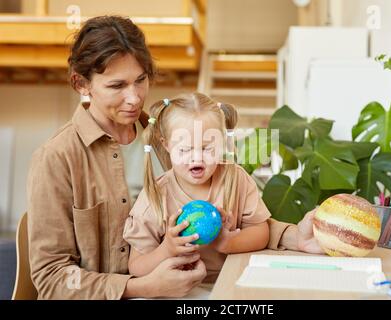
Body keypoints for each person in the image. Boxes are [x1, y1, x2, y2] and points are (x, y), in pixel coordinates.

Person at [26, 15, 322, 300]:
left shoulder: (177, 137)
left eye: (140, 80)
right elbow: (52, 278)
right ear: (82, 84)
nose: (134, 97)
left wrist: (296, 238)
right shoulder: (56, 159)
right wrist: (141, 288)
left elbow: (237, 219)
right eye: (117, 86)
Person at [123, 93, 271, 284]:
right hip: (177, 291)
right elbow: (136, 266)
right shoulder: (156, 195)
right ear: (166, 144)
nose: (197, 158)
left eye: (208, 148)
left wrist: (229, 243)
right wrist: (167, 249)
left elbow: (262, 232)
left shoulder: (236, 179)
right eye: (185, 150)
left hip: (231, 284)